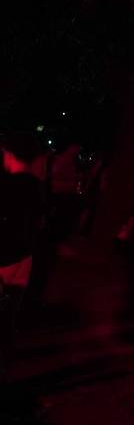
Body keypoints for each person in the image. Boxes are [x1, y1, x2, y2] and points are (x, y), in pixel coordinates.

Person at [0, 132, 47, 380]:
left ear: (9, 154)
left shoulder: (8, 186)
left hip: (5, 259)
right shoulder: (36, 186)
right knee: (8, 317)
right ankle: (3, 364)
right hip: (24, 259)